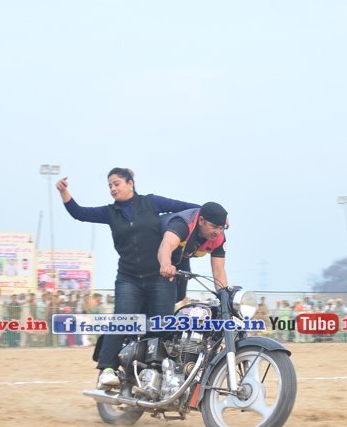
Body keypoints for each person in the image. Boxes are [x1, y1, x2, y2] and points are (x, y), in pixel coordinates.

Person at [57, 167, 198, 389]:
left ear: (130, 183)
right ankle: (106, 370)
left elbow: (188, 208)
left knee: (163, 327)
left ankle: (163, 374)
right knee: (121, 321)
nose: (113, 188)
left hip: (160, 277)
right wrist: (64, 192)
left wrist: (215, 217)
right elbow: (79, 213)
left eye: (117, 183)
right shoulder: (110, 212)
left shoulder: (151, 202)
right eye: (110, 186)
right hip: (128, 278)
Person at [157, 202, 229, 301]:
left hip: (181, 252)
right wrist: (166, 264)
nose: (217, 232)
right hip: (156, 247)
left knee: (180, 295)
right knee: (165, 296)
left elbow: (218, 271)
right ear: (201, 221)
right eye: (214, 227)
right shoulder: (183, 225)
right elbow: (166, 244)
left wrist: (225, 299)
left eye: (221, 228)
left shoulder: (219, 238)